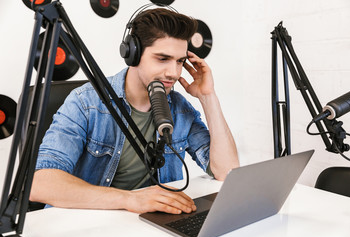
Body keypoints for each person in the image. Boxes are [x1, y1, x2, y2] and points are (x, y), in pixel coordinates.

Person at [30, 7, 239, 215]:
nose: (173, 73)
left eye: (180, 61)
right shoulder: (86, 102)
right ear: (133, 54)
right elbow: (40, 183)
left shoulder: (179, 108)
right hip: (88, 222)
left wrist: (207, 96)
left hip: (144, 224)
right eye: (162, 58)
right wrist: (130, 199)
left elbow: (227, 171)